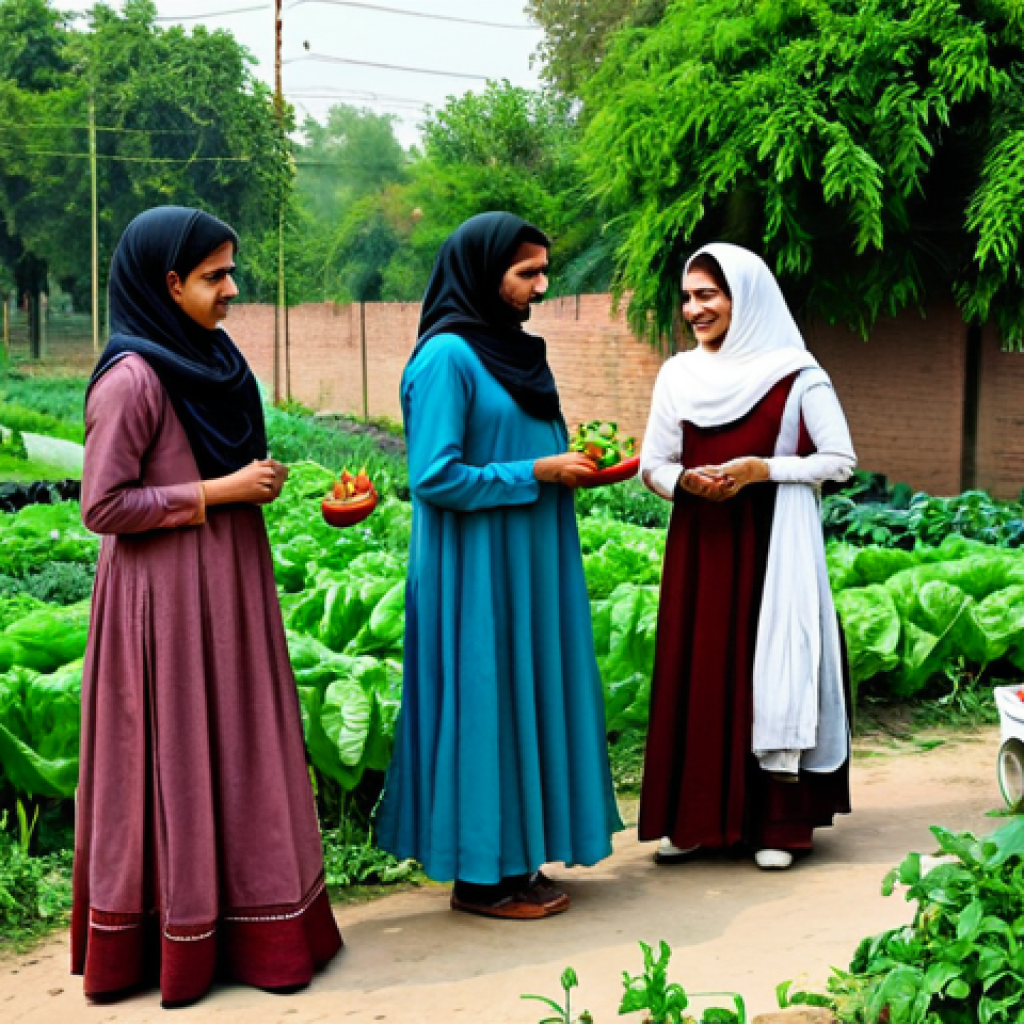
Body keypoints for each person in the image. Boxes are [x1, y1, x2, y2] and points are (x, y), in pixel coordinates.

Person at [71, 207, 342, 1006]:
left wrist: (252, 482)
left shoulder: (212, 360)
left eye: (230, 271)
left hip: (228, 585)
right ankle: (174, 942)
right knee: (178, 753)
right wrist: (221, 490)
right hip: (164, 602)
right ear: (168, 285)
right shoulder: (132, 378)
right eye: (214, 276)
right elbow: (102, 506)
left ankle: (260, 927)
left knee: (239, 748)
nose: (232, 289)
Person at [376, 211, 623, 919]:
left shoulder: (512, 350)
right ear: (484, 275)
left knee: (525, 695)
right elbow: (434, 476)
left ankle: (517, 860)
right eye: (527, 273)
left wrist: (562, 465)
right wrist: (539, 468)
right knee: (485, 702)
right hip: (475, 572)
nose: (541, 286)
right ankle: (480, 877)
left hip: (529, 561)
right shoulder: (447, 358)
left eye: (544, 270)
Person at [638, 242, 856, 870]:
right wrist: (683, 482)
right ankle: (696, 821)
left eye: (708, 294)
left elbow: (839, 460)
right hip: (702, 548)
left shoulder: (797, 373)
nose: (693, 309)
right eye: (687, 296)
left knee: (771, 669)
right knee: (701, 669)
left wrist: (765, 470)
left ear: (746, 297)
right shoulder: (678, 374)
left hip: (772, 548)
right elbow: (654, 463)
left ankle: (777, 827)